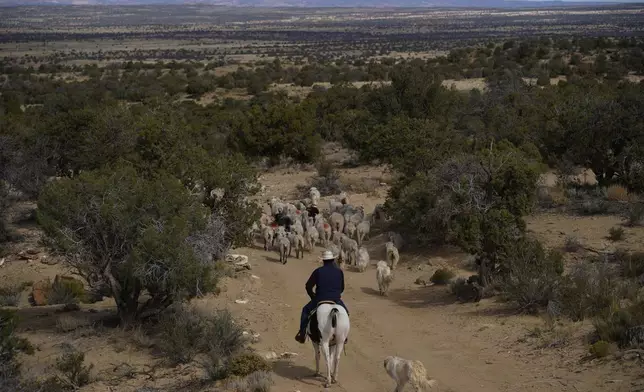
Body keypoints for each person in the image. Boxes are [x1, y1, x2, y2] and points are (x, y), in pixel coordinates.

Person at [295, 250, 349, 344]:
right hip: (335, 299)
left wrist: (313, 297)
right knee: (346, 313)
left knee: (305, 311)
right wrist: (335, 294)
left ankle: (302, 334)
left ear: (323, 261)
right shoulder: (339, 271)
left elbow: (308, 286)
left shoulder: (318, 271)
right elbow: (342, 288)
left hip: (320, 298)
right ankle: (344, 335)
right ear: (332, 260)